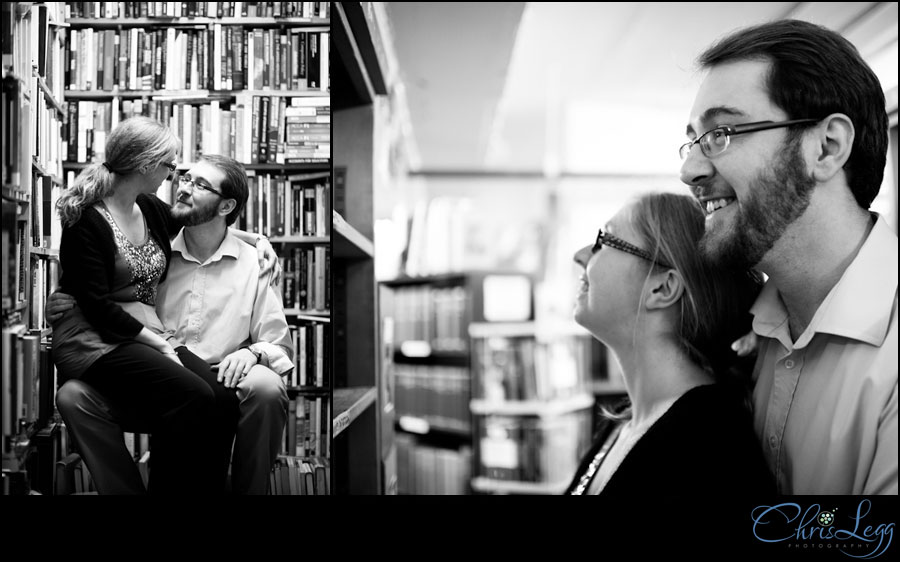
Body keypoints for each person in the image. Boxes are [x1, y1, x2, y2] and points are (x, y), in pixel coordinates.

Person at [679, 19, 898, 494]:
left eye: (723, 132)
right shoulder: (754, 331)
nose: (689, 169)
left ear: (827, 147)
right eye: (695, 139)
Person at [51, 117, 279, 495]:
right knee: (192, 394)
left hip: (138, 334)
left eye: (189, 178)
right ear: (145, 165)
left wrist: (258, 239)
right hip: (100, 338)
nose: (176, 179)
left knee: (220, 400)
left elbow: (200, 221)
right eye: (171, 168)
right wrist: (160, 345)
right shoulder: (88, 221)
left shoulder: (150, 209)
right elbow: (94, 304)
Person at [564, 192, 773, 499]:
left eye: (605, 240)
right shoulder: (625, 421)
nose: (581, 255)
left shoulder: (711, 446)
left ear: (663, 287)